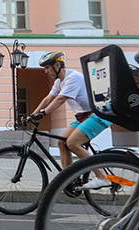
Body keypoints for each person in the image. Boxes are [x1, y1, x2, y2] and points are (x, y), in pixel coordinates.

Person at [30, 51, 111, 190]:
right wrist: (33, 114)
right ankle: (68, 179)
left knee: (72, 143)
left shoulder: (73, 78)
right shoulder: (59, 82)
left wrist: (43, 113)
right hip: (82, 116)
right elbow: (48, 99)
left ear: (57, 65)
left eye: (47, 67)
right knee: (62, 142)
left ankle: (102, 177)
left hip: (98, 114)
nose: (45, 71)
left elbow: (61, 99)